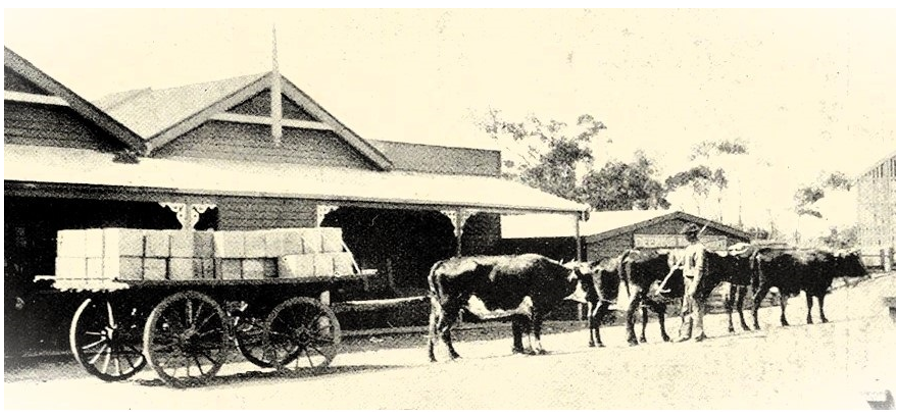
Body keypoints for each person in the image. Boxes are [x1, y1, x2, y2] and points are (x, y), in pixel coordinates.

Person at [677, 223, 708, 342]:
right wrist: (680, 268)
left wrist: (694, 286)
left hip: (696, 281)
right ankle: (685, 334)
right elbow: (688, 265)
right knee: (686, 307)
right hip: (687, 280)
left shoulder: (700, 248)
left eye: (686, 235)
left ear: (692, 235)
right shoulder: (689, 248)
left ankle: (698, 334)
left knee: (696, 307)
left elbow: (699, 269)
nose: (685, 237)